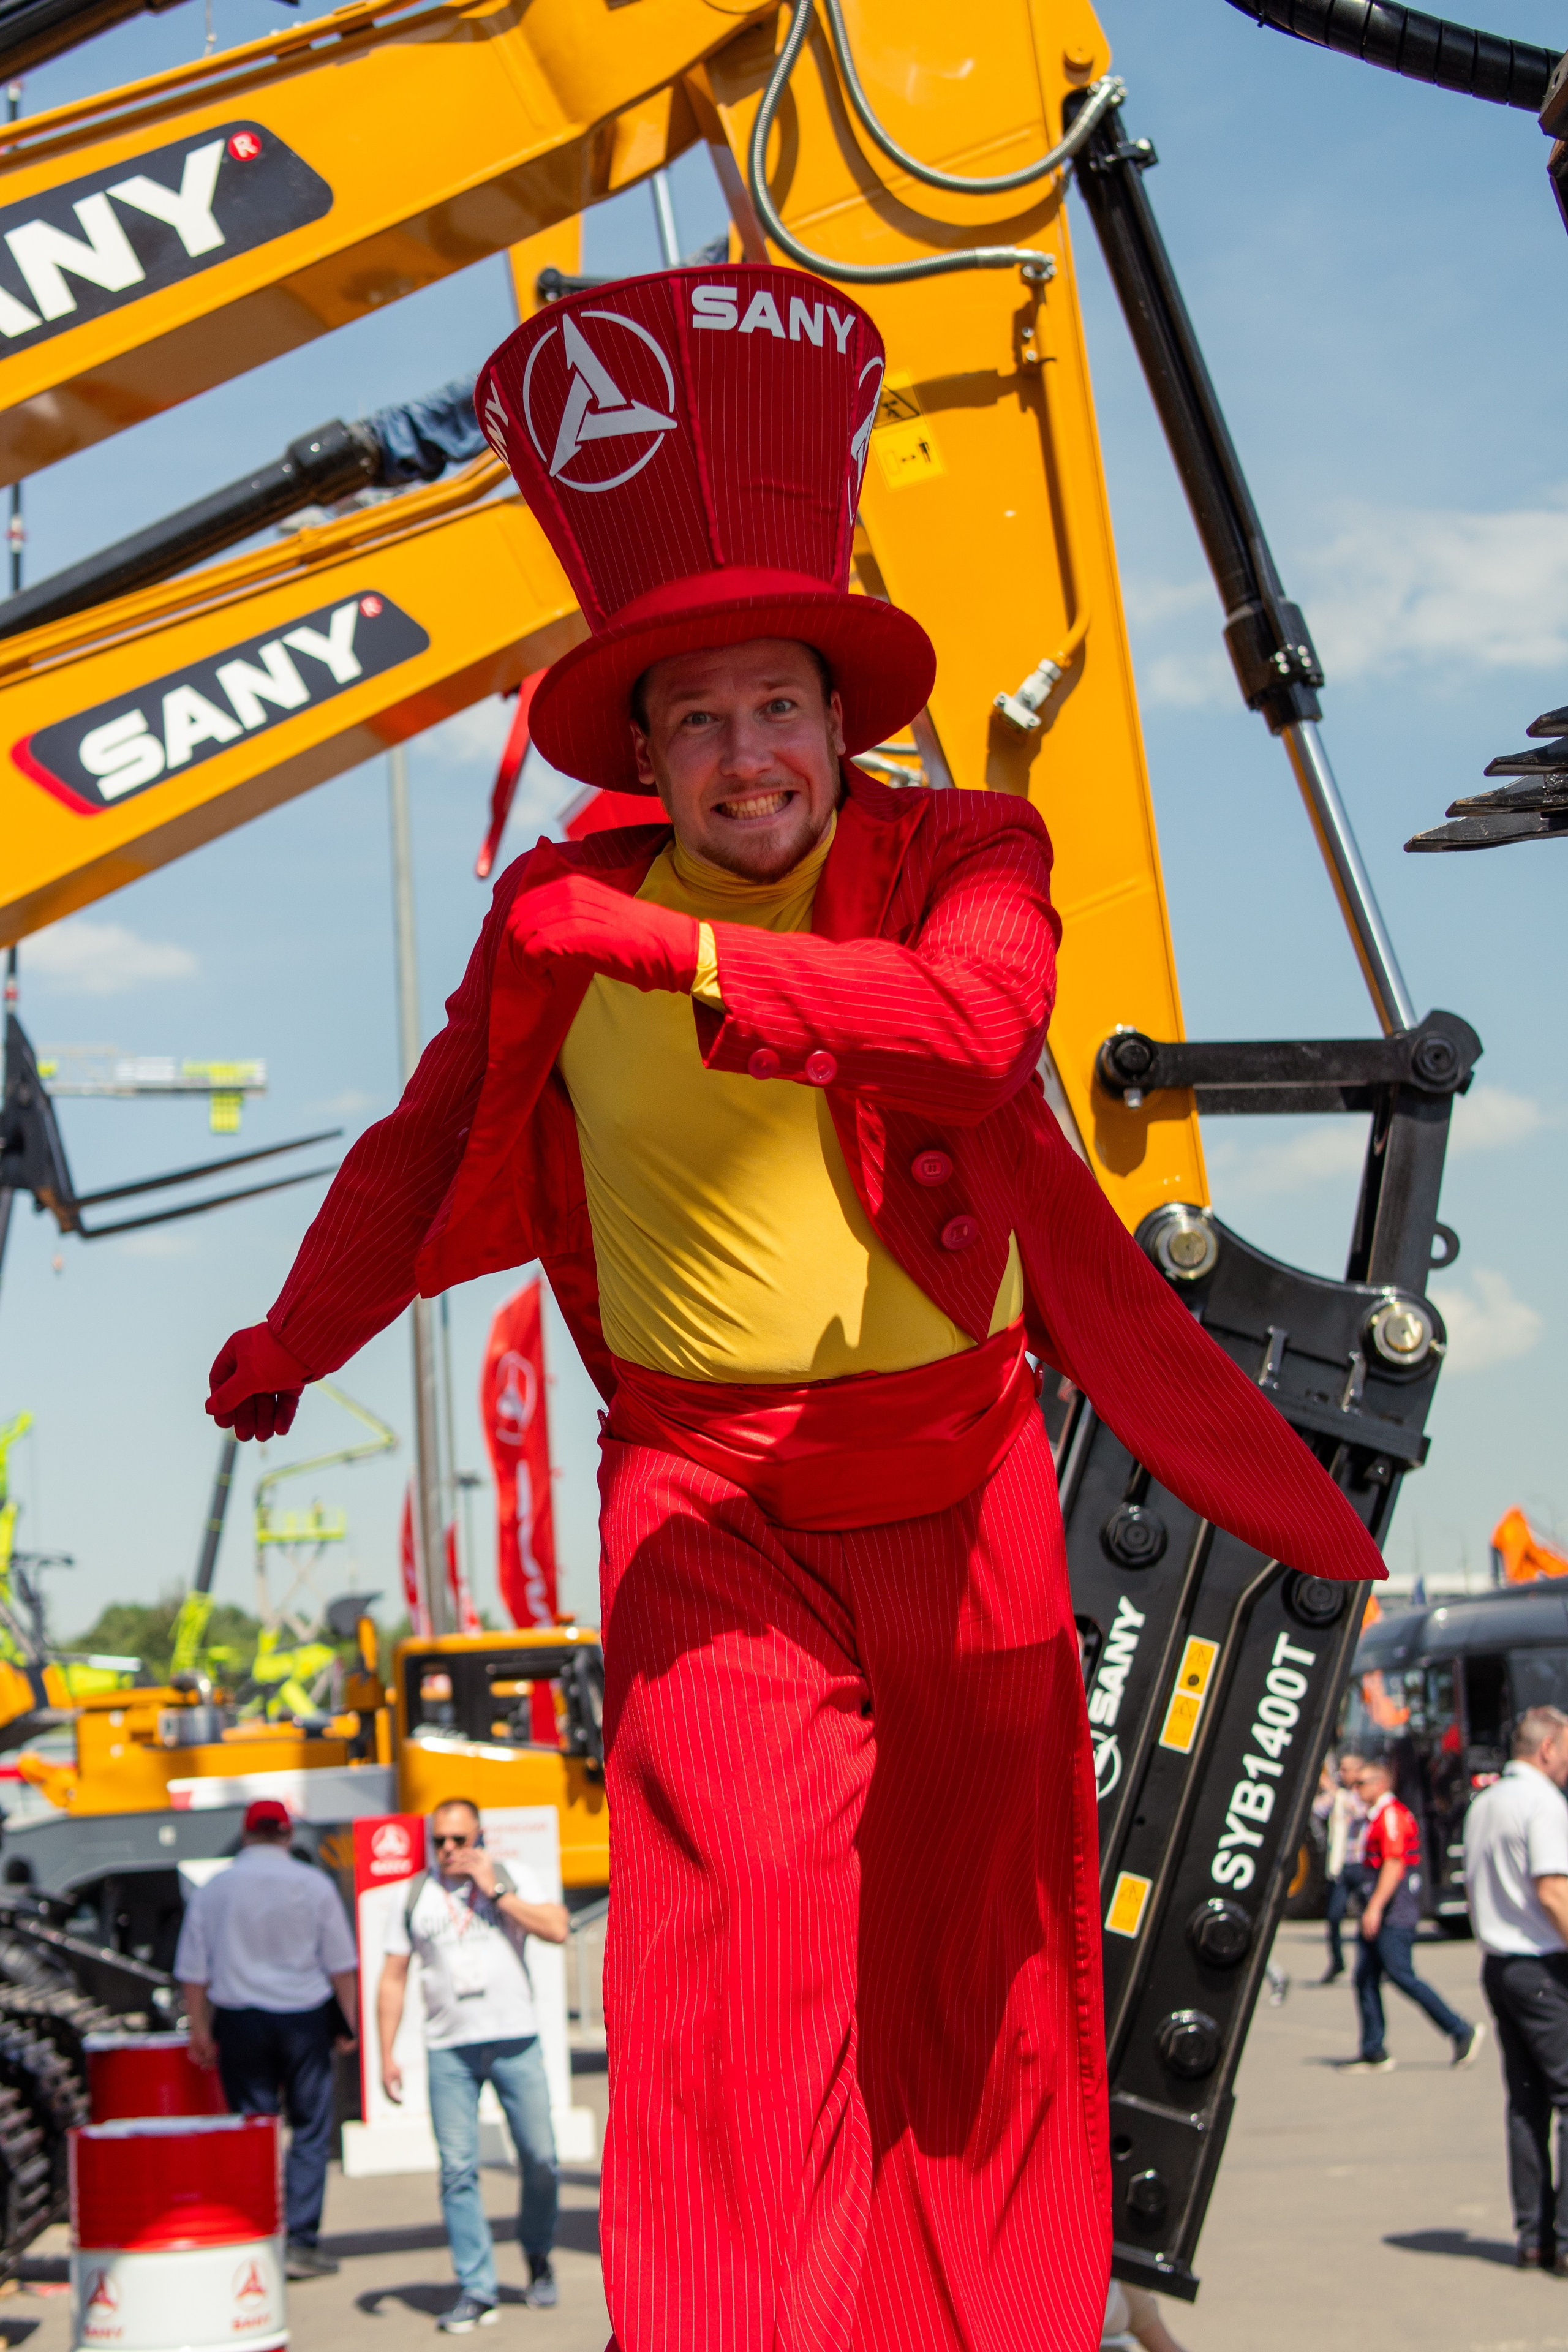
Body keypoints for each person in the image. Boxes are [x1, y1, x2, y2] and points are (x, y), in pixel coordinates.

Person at [205, 261, 1387, 2352]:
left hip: (955, 1491)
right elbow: (415, 1146)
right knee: (736, 1991)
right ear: (646, 747)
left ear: (847, 721)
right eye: (698, 713)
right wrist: (292, 1342)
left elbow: (972, 1026)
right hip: (711, 1509)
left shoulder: (970, 852)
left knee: (985, 1990)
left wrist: (696, 970)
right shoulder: (558, 914)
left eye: (781, 706)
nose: (747, 752)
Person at [377, 1798, 568, 2332]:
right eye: (439, 1841)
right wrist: (387, 2052)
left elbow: (557, 1928)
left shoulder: (511, 1876)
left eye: (459, 1840)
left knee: (541, 2158)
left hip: (514, 2040)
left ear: (479, 1838)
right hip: (449, 2051)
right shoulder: (415, 1895)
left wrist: (497, 1891)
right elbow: (393, 1977)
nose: (449, 1851)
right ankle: (477, 2286)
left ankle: (536, 2255)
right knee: (457, 2169)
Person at [174, 1795, 358, 2278]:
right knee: (311, 2132)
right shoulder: (312, 1884)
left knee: (254, 2132)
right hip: (304, 2019)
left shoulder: (217, 1889)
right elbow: (342, 1965)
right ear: (288, 1834)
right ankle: (300, 2240)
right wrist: (348, 2022)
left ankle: (257, 2234)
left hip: (241, 2021)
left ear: (247, 1831)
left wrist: (200, 2027)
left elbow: (194, 1970)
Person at [1463, 1703, 1568, 2269]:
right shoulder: (1543, 1803)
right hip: (1542, 1966)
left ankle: (1534, 2235)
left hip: (1500, 1964)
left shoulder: (1487, 1801)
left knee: (1526, 2105)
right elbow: (1553, 1890)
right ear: (1548, 1748)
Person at [1344, 1755, 1482, 2073]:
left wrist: (1375, 1908)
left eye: (1361, 1783)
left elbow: (1393, 1865)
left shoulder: (1390, 1816)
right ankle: (1373, 2050)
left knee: (1401, 1974)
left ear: (1381, 1784)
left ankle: (1460, 2030)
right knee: (1365, 1978)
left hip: (1393, 1912)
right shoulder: (1376, 1815)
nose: (1356, 1789)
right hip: (1381, 1909)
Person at [1321, 1749, 1370, 1983]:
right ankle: (1337, 1962)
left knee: (1368, 1918)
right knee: (1333, 1916)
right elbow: (1318, 1808)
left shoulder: (1363, 1794)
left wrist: (1333, 1791)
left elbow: (1360, 1811)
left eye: (1346, 1769)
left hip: (1363, 1865)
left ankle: (1372, 1964)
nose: (1342, 1773)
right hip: (1342, 1866)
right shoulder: (1338, 1795)